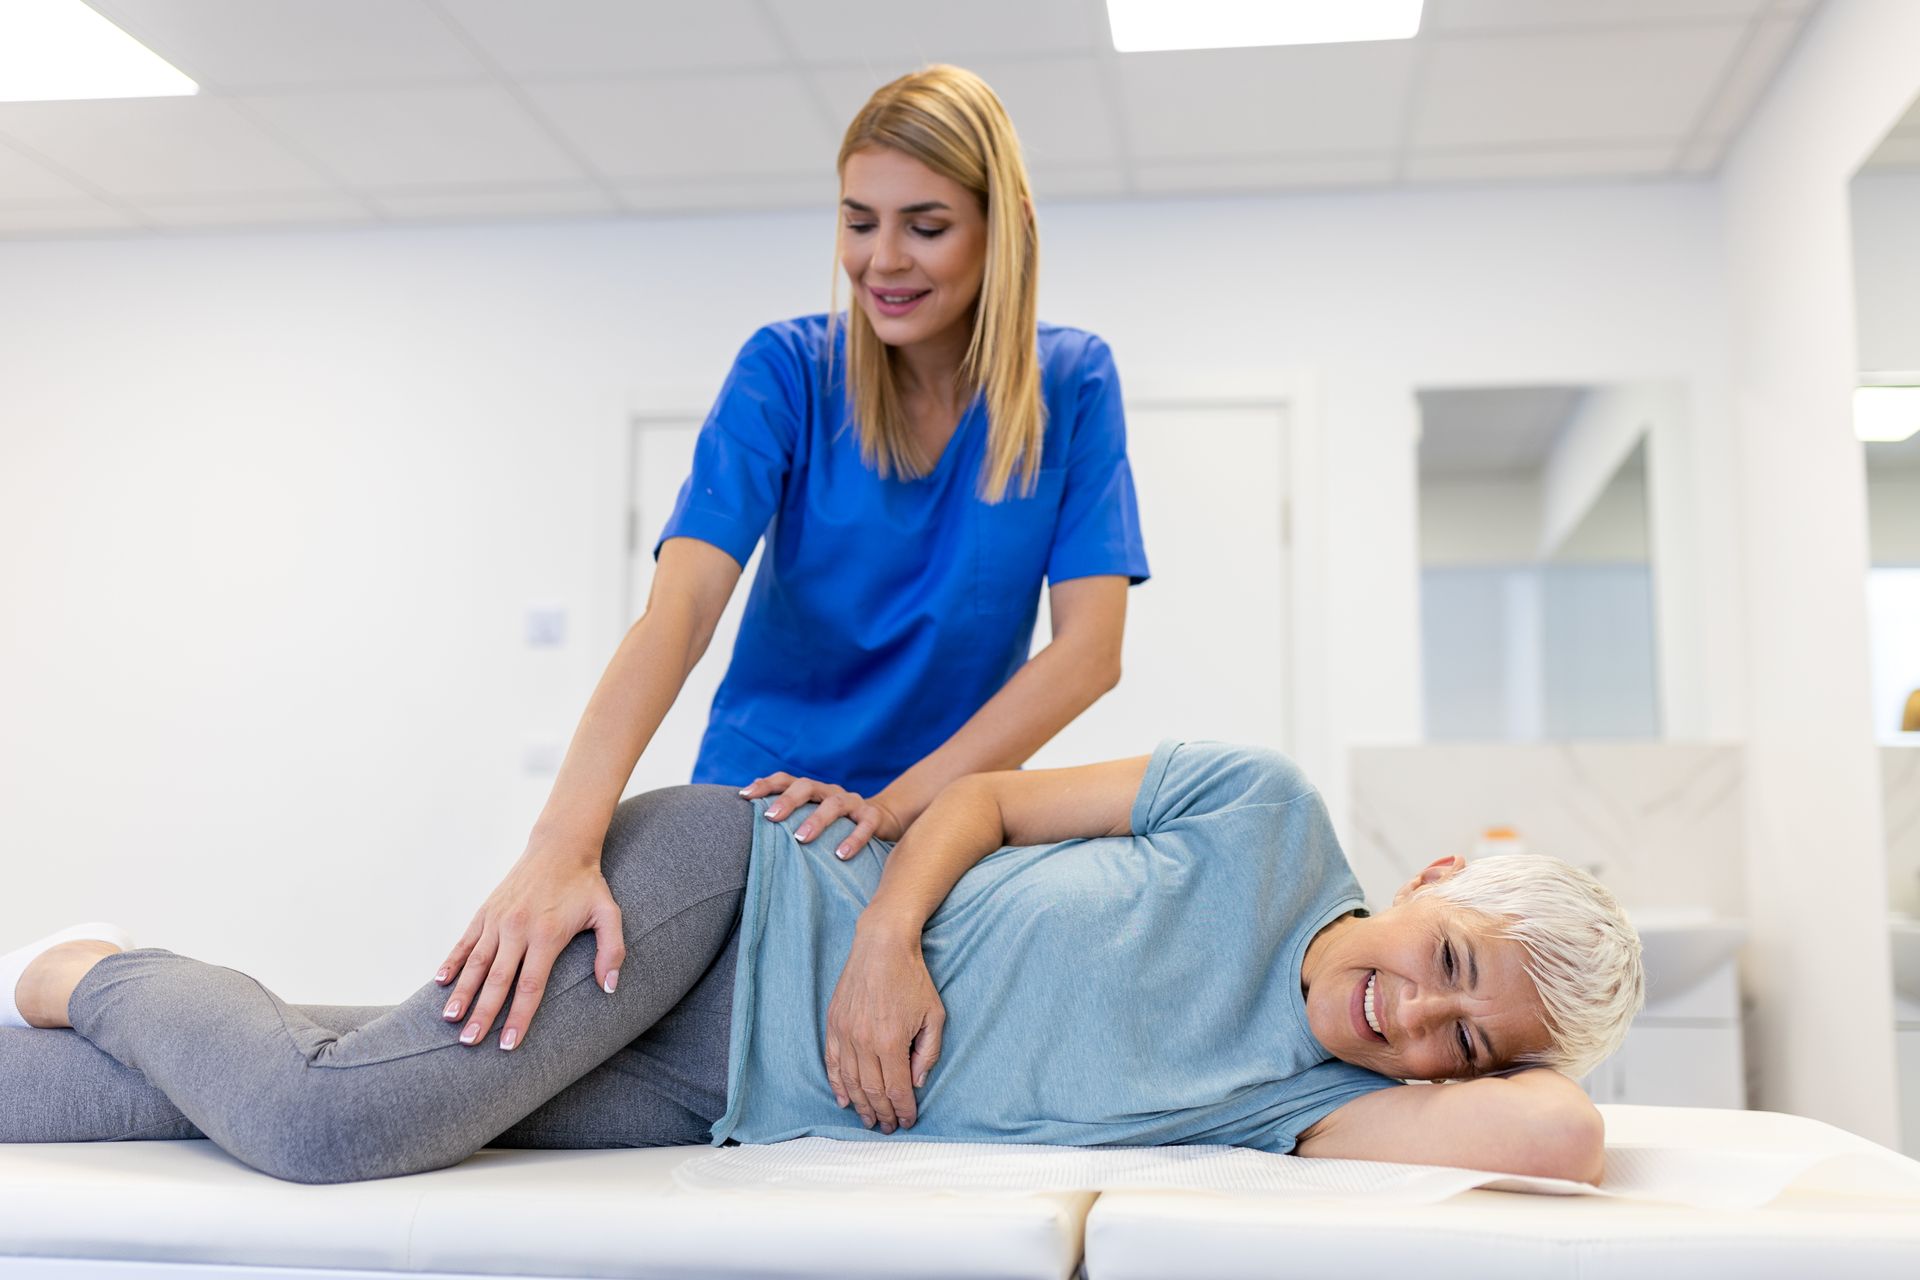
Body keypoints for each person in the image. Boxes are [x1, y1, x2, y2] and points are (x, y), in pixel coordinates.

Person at [0, 740, 1643, 1187]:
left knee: (269, 1085)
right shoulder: (1263, 818)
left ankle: (79, 1042)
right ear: (1434, 875)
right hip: (739, 897)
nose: (1414, 1012)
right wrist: (880, 949)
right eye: (1450, 957)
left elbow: (1556, 1137)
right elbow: (990, 800)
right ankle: (105, 965)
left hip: (714, 1098)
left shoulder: (1303, 1105)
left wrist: (1533, 1052)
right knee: (326, 1126)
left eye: (1461, 1039)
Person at [440, 63, 1148, 1062]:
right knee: (559, 1059)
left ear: (1007, 224)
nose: (883, 259)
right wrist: (561, 841)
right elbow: (680, 610)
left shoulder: (1071, 384)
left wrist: (896, 808)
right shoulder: (788, 371)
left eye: (926, 224)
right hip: (757, 815)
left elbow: (1089, 652)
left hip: (930, 835)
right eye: (859, 221)